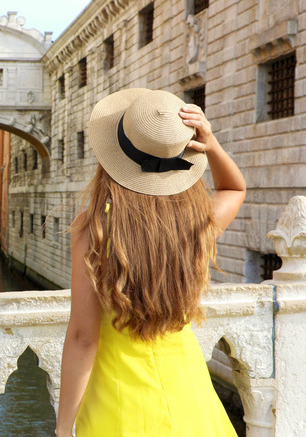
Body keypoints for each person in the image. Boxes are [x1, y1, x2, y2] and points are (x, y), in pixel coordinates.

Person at [56, 89, 246, 436]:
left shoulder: (93, 229)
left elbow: (84, 338)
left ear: (113, 158)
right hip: (192, 401)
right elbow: (234, 189)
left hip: (117, 407)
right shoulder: (194, 223)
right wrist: (212, 143)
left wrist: (63, 426)